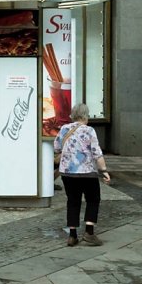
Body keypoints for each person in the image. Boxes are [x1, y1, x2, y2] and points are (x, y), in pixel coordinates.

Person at [54, 103, 111, 247]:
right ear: (85, 115)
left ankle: (72, 236)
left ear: (73, 115)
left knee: (73, 201)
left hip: (67, 173)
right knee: (93, 199)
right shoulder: (89, 130)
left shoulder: (64, 129)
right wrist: (104, 171)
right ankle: (89, 233)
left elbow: (57, 147)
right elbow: (97, 153)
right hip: (87, 172)